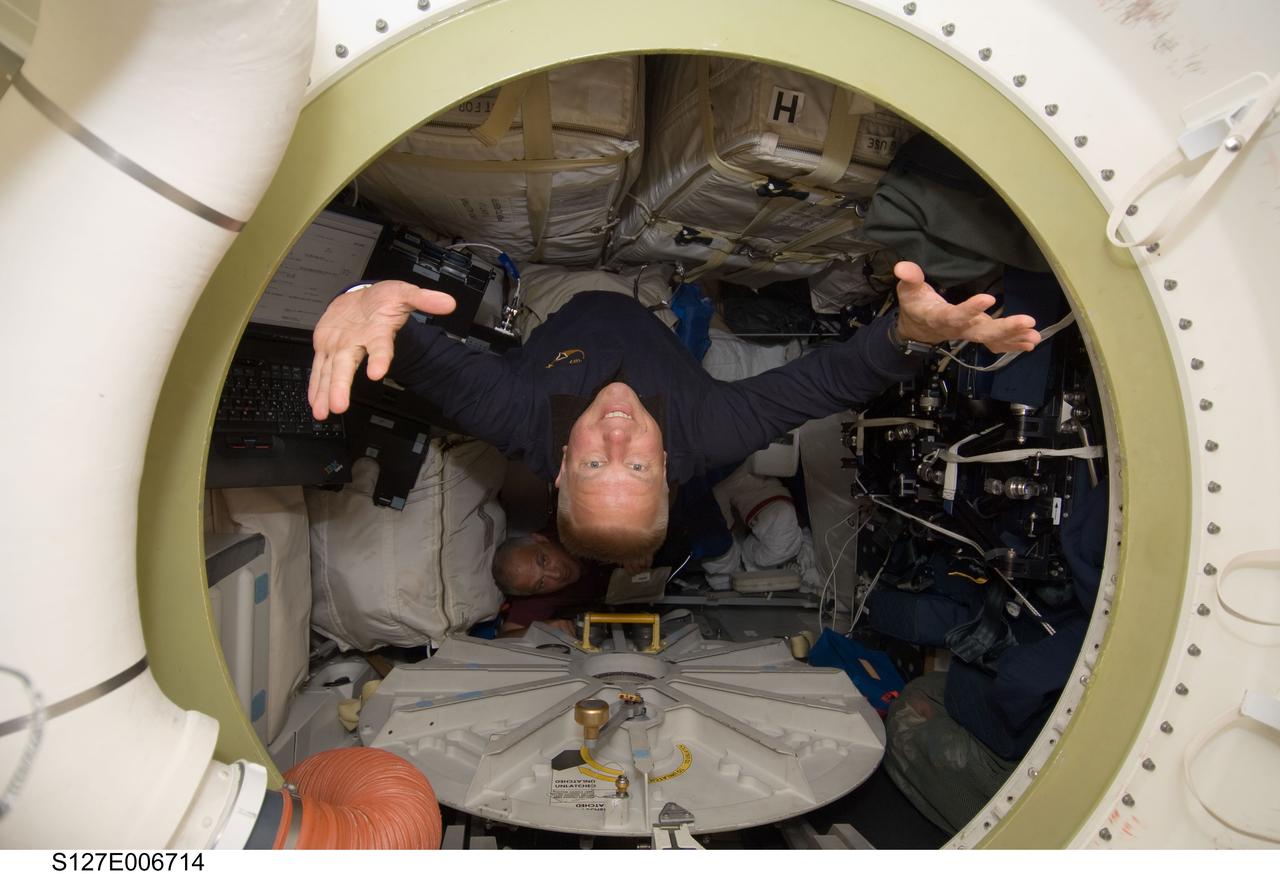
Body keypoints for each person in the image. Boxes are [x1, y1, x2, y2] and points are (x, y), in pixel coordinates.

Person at [308, 263, 1041, 568]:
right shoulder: (707, 434)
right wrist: (910, 334)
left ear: (560, 466)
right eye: (637, 462)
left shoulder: (516, 418)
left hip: (563, 305)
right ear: (671, 468)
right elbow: (827, 383)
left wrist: (363, 297)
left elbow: (404, 347)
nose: (619, 434)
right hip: (649, 311)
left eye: (599, 461)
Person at [490, 532, 608, 636]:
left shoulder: (572, 527)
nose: (556, 574)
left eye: (544, 560)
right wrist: (540, 629)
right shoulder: (537, 599)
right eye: (541, 583)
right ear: (530, 595)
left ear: (541, 539)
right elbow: (504, 638)